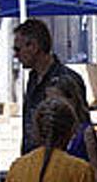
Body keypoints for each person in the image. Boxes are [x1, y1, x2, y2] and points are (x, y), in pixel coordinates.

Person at [15, 19, 86, 155]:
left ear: (34, 47)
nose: (16, 55)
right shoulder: (33, 78)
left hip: (60, 162)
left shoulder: (66, 78)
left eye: (18, 49)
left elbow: (80, 125)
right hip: (34, 159)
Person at [46, 75, 97, 182]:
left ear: (71, 100)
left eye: (56, 100)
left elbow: (95, 172)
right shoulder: (49, 132)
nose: (52, 105)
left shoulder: (85, 132)